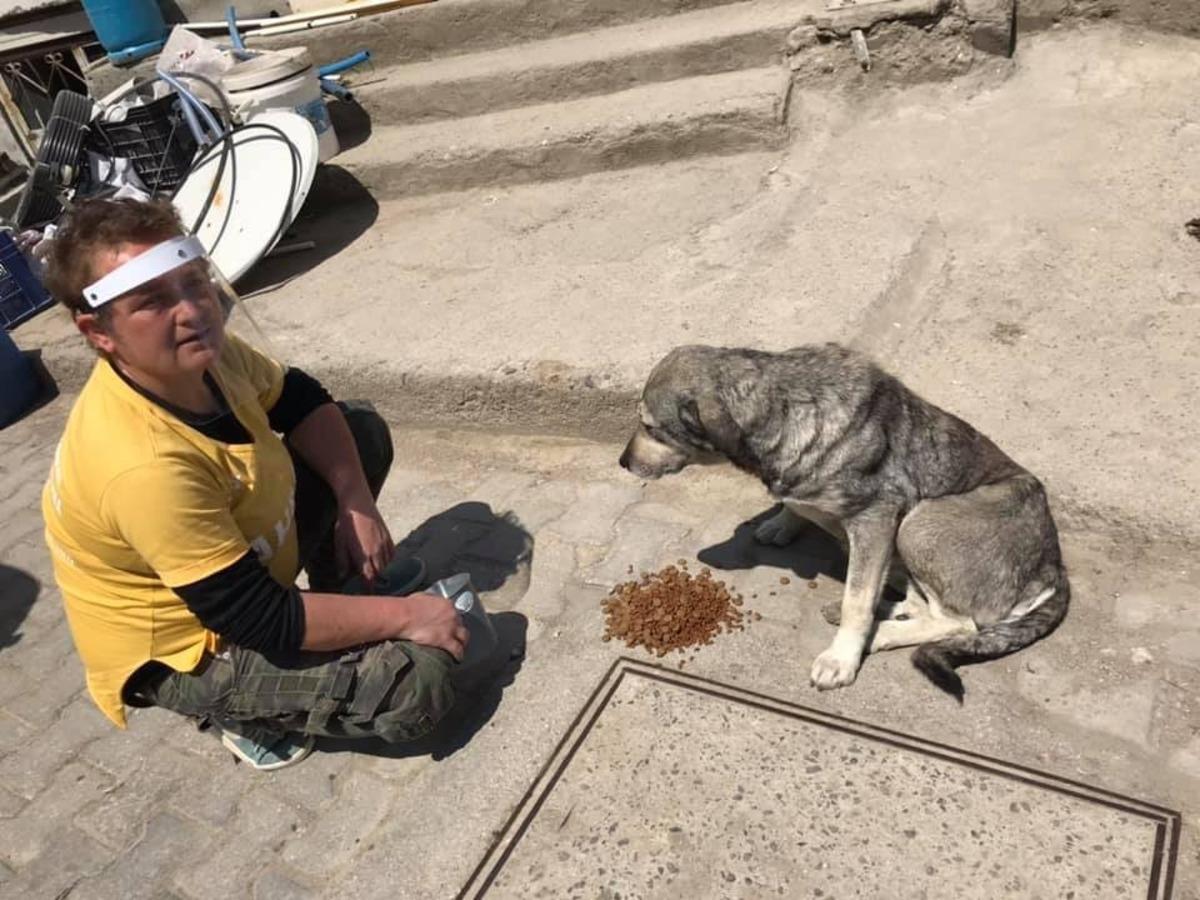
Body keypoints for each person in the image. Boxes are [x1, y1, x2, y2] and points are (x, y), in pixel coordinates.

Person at [41, 197, 468, 770]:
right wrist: (408, 617)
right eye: (153, 301)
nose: (193, 310)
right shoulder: (139, 466)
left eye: (194, 282)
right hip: (191, 644)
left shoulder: (200, 357)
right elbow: (255, 617)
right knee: (419, 687)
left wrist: (356, 503)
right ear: (99, 331)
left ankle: (345, 592)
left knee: (357, 431)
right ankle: (242, 713)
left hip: (239, 572)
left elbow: (303, 400)